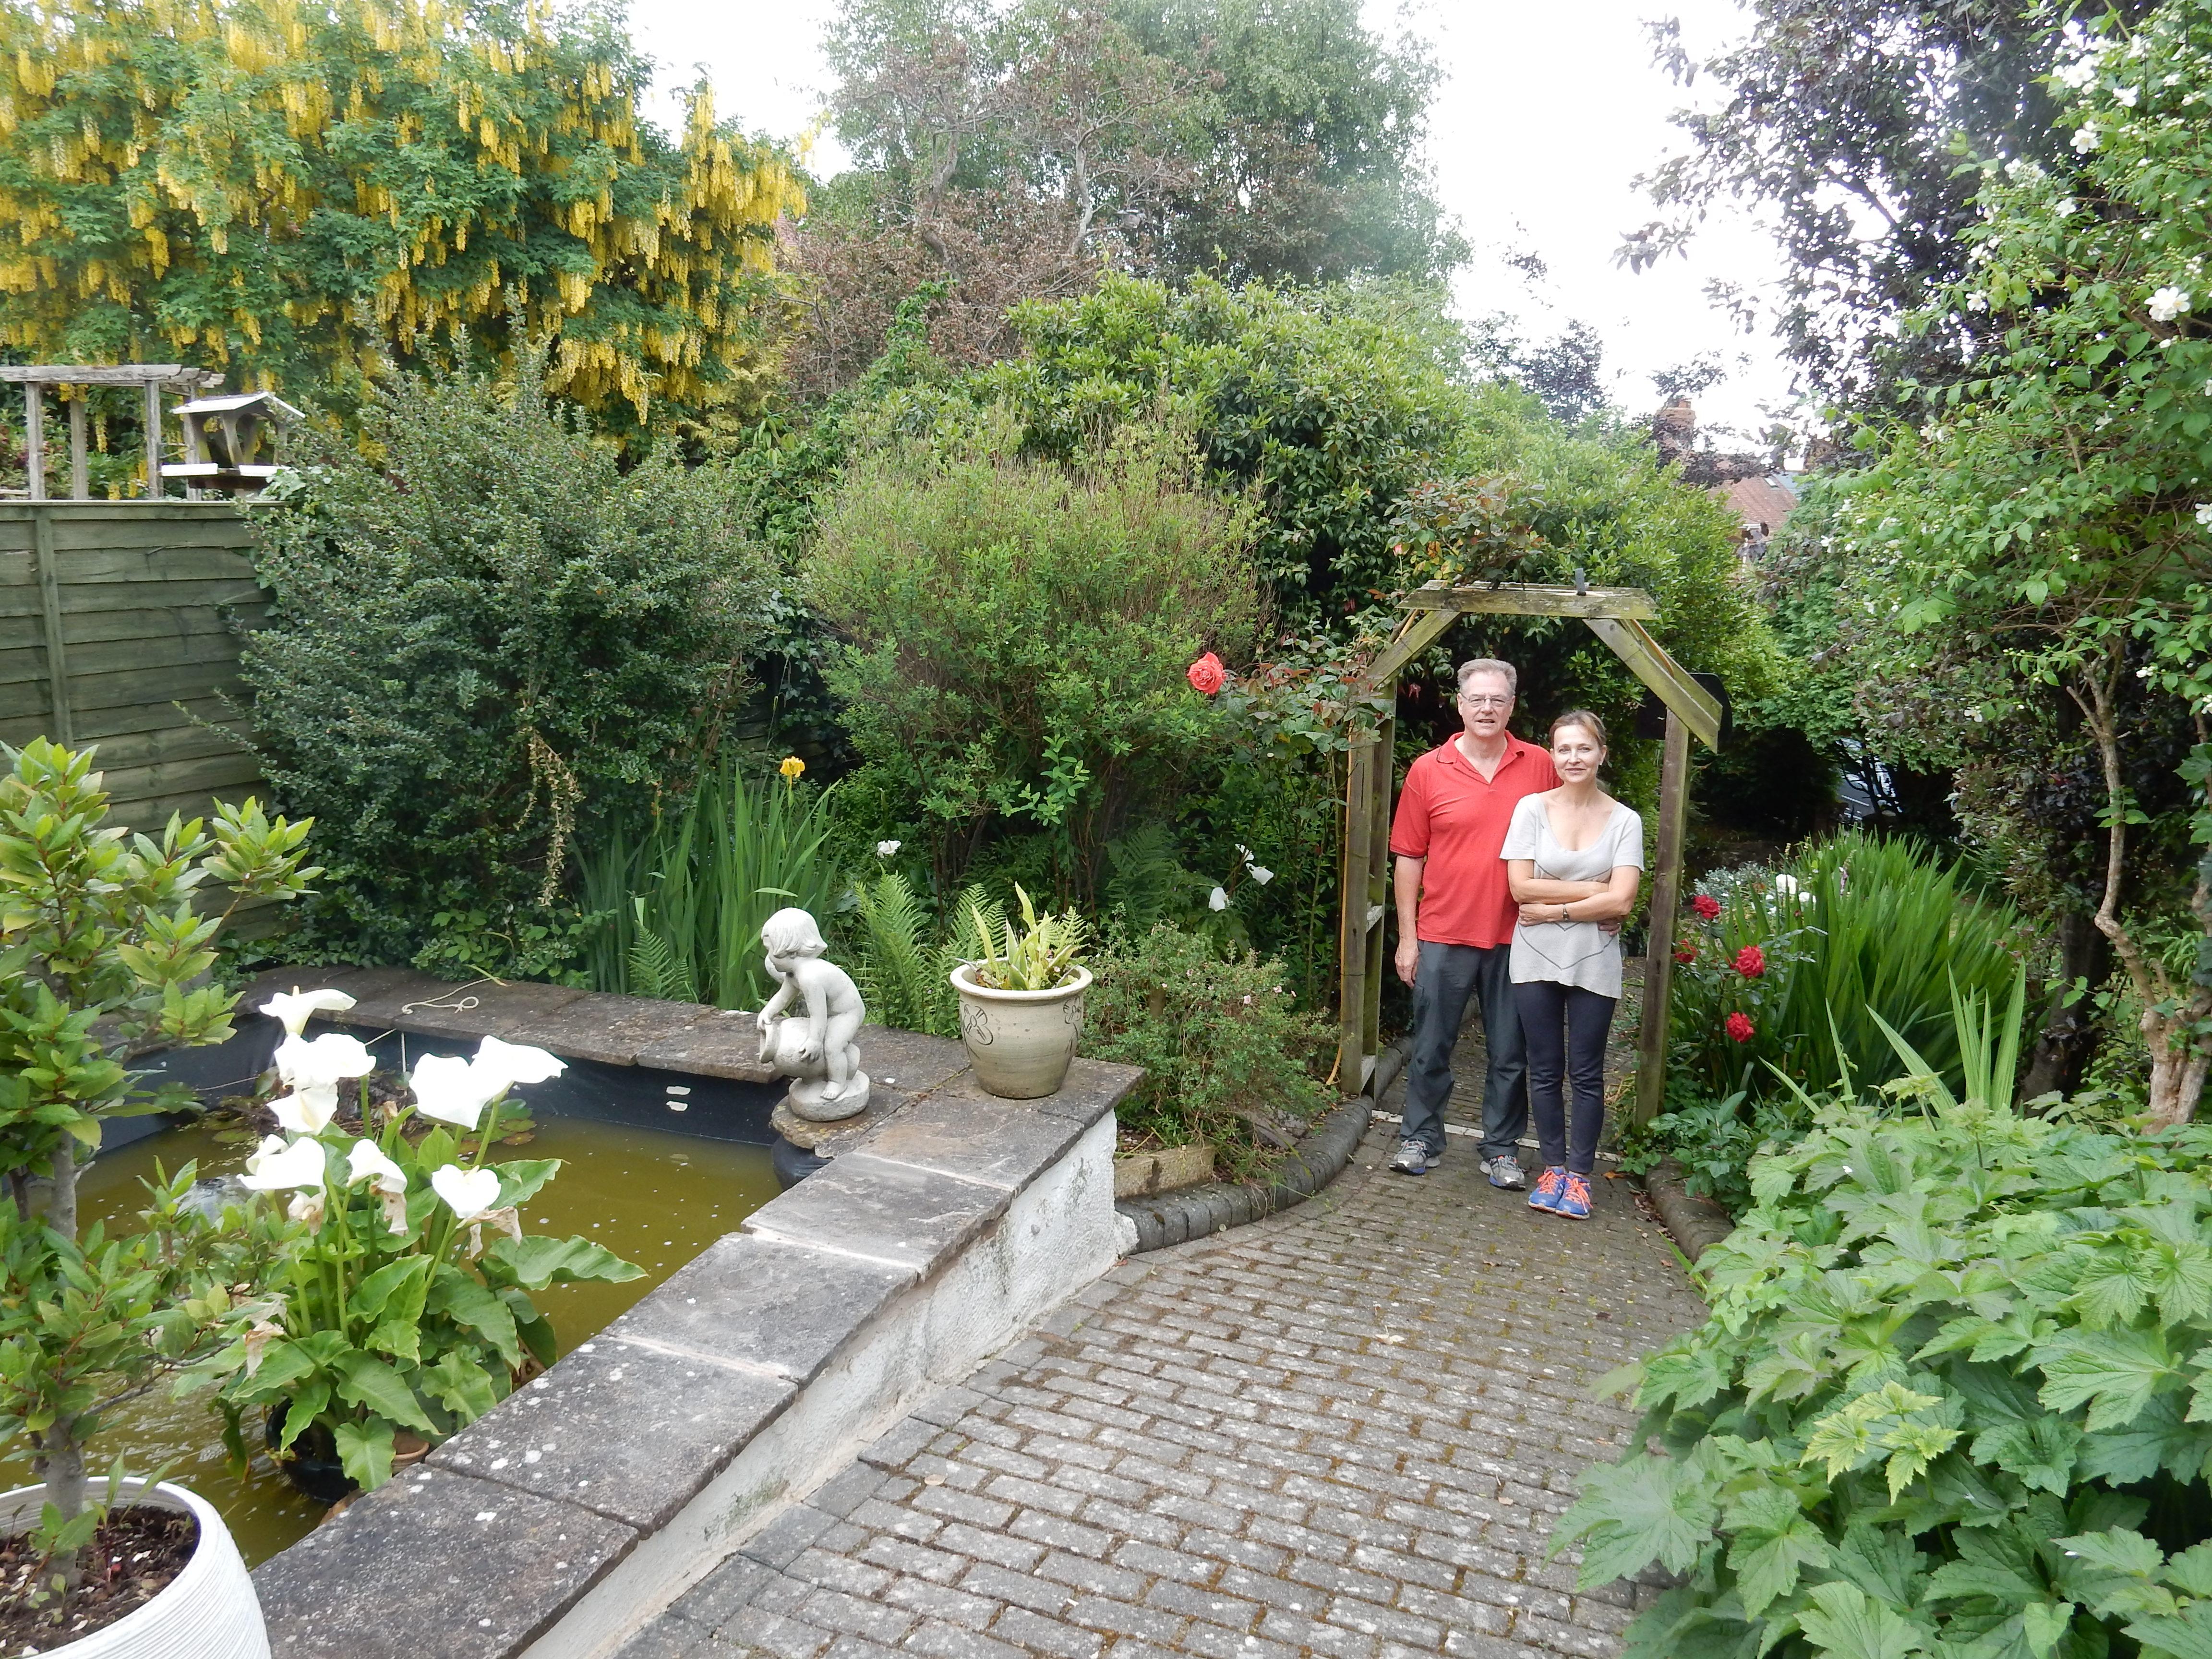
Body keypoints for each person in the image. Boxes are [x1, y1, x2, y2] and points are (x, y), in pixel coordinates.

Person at [1387, 659, 1559, 1185]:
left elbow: (1575, 833)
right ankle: (1420, 1138)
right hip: (1443, 933)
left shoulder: (1542, 766)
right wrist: (1408, 939)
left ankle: (1502, 1149)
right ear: (1460, 705)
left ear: (1512, 706)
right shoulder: (1427, 770)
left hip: (1521, 936)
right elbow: (1409, 857)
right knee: (1430, 1047)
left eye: (1497, 700)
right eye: (1477, 699)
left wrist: (1591, 902)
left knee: (1511, 1052)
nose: (1487, 708)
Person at [1502, 710, 1645, 1220]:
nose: (1574, 758)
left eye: (1584, 748)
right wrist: (1592, 890)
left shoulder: (1626, 820)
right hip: (1534, 958)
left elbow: (1623, 901)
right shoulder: (1531, 809)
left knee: (1586, 1073)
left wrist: (1554, 909)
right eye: (1564, 749)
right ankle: (1553, 1169)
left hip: (1594, 961)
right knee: (1544, 1070)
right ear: (1553, 755)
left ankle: (1580, 1178)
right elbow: (1519, 888)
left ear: (1602, 753)